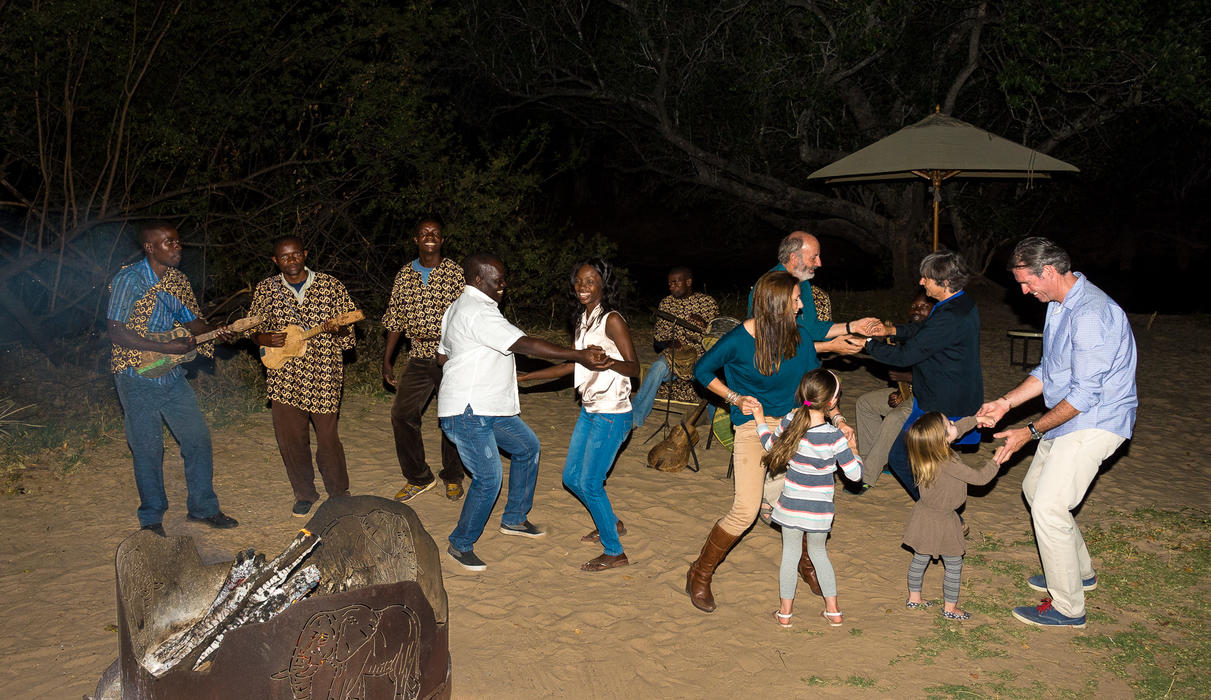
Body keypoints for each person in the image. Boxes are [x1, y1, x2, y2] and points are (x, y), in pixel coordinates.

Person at [977, 237, 1137, 629]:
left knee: (1049, 506)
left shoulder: (1091, 314)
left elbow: (1084, 394)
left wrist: (1028, 431)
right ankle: (1079, 572)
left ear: (1048, 271)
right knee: (1035, 492)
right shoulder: (1059, 305)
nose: (1024, 291)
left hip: (1097, 419)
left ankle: (1069, 608)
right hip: (1072, 416)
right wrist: (1005, 403)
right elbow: (1050, 371)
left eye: (1026, 282)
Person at [686, 270, 869, 613]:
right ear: (776, 304)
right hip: (753, 427)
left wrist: (839, 419)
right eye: (797, 300)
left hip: (794, 425)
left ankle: (806, 563)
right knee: (745, 511)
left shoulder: (797, 334)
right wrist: (734, 397)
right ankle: (700, 572)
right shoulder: (739, 339)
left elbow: (817, 385)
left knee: (800, 500)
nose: (802, 307)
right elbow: (702, 370)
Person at [437, 253, 611, 572]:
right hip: (469, 410)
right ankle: (460, 544)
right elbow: (525, 345)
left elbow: (442, 355)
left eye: (504, 279)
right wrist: (578, 355)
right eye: (498, 280)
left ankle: (515, 519)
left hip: (489, 407)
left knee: (527, 447)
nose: (504, 285)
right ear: (478, 281)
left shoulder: (460, 308)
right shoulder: (476, 311)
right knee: (489, 478)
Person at [107, 222, 239, 535]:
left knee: (197, 439)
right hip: (134, 372)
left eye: (178, 242)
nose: (177, 247)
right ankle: (151, 518)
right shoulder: (129, 278)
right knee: (148, 448)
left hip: (170, 373)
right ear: (149, 248)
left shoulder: (177, 280)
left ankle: (203, 508)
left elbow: (194, 323)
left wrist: (220, 333)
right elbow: (116, 331)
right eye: (168, 243)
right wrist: (164, 345)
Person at [518, 259, 640, 572]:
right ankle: (611, 522)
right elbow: (574, 363)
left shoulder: (611, 320)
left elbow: (634, 368)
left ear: (603, 284)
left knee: (590, 482)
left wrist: (609, 363)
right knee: (571, 478)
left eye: (590, 281)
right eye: (579, 281)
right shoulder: (583, 319)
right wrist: (524, 379)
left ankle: (614, 551)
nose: (583, 287)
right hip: (589, 410)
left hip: (612, 413)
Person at [250, 236, 358, 517]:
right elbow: (252, 329)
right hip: (283, 375)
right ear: (276, 261)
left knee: (327, 438)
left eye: (296, 254)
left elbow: (349, 334)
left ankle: (339, 492)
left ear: (305, 254)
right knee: (291, 439)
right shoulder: (266, 289)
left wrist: (340, 330)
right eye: (284, 257)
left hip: (324, 372)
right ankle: (304, 493)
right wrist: (261, 337)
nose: (291, 260)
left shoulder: (331, 286)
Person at [862, 250, 983, 500]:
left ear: (945, 283)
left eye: (926, 277)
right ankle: (939, 508)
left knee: (901, 456)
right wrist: (891, 329)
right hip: (935, 396)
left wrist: (867, 344)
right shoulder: (959, 303)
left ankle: (939, 511)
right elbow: (924, 330)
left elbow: (906, 356)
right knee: (928, 459)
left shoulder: (951, 315)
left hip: (944, 403)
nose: (921, 282)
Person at [753, 369, 862, 628]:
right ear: (832, 403)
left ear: (803, 393)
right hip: (819, 509)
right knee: (819, 553)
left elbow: (770, 446)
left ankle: (785, 613)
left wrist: (759, 420)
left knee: (790, 556)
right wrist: (853, 447)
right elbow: (855, 475)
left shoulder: (791, 420)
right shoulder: (834, 437)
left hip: (791, 505)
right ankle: (833, 611)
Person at [382, 217, 468, 503]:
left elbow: (467, 316)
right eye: (424, 233)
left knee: (452, 417)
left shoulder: (455, 273)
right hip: (418, 353)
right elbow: (395, 319)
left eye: (435, 233)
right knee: (402, 415)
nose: (429, 236)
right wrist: (387, 360)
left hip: (452, 356)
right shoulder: (404, 275)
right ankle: (419, 477)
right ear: (416, 240)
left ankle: (453, 476)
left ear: (442, 240)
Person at [903, 413, 1002, 620]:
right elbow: (980, 478)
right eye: (949, 423)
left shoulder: (924, 453)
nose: (954, 424)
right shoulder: (947, 462)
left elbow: (957, 429)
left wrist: (976, 420)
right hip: (944, 520)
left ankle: (914, 598)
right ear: (942, 439)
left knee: (920, 558)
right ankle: (950, 608)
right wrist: (996, 460)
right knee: (954, 565)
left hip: (923, 516)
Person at [854, 292, 934, 488]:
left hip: (930, 398)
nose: (916, 310)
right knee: (865, 403)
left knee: (894, 418)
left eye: (923, 307)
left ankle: (867, 476)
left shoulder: (937, 335)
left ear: (935, 310)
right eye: (914, 306)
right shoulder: (909, 334)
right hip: (911, 392)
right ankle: (873, 460)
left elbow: (938, 377)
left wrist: (908, 378)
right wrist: (902, 390)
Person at [631, 266, 718, 426]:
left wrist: (704, 323)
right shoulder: (666, 303)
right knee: (657, 367)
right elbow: (657, 339)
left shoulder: (707, 303)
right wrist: (668, 342)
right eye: (669, 283)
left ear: (688, 282)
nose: (671, 286)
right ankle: (635, 417)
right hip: (674, 358)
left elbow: (716, 337)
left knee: (711, 379)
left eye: (675, 283)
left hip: (699, 358)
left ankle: (716, 424)